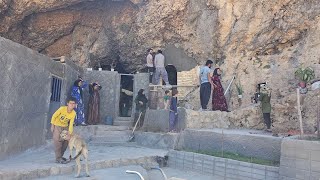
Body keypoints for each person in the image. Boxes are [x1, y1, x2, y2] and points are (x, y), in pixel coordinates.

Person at [51, 97, 76, 164]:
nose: (72, 105)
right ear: (67, 103)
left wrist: (69, 134)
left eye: (74, 104)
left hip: (65, 127)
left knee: (65, 142)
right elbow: (54, 116)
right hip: (57, 126)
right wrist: (52, 125)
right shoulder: (62, 109)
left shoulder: (73, 113)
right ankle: (58, 158)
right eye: (71, 103)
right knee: (58, 142)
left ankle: (60, 156)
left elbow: (71, 124)